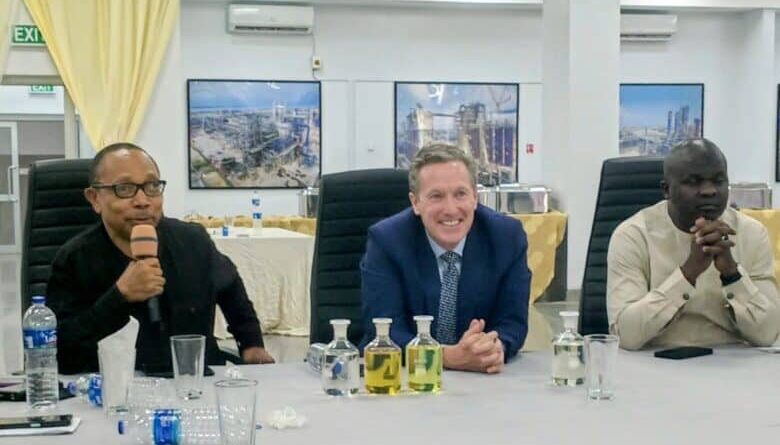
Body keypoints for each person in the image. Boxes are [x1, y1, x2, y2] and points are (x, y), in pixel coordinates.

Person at [47, 142, 274, 374]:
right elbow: (62, 350)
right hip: (114, 386)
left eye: (152, 186)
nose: (143, 200)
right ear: (95, 198)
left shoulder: (193, 240)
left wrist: (251, 344)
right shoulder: (74, 258)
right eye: (125, 188)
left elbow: (231, 289)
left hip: (195, 382)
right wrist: (118, 296)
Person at [359, 144, 531, 374]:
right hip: (403, 378)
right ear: (415, 203)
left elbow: (512, 322)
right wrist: (447, 357)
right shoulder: (387, 241)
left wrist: (493, 348)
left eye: (460, 194)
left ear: (475, 197)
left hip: (483, 381)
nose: (450, 209)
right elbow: (384, 330)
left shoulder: (506, 237)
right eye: (436, 196)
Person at [607, 138, 780, 350]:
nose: (709, 191)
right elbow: (626, 336)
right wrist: (689, 272)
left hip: (733, 360)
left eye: (718, 181)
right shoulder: (633, 235)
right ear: (666, 190)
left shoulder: (751, 233)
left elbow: (769, 334)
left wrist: (731, 274)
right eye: (693, 181)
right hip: (655, 359)